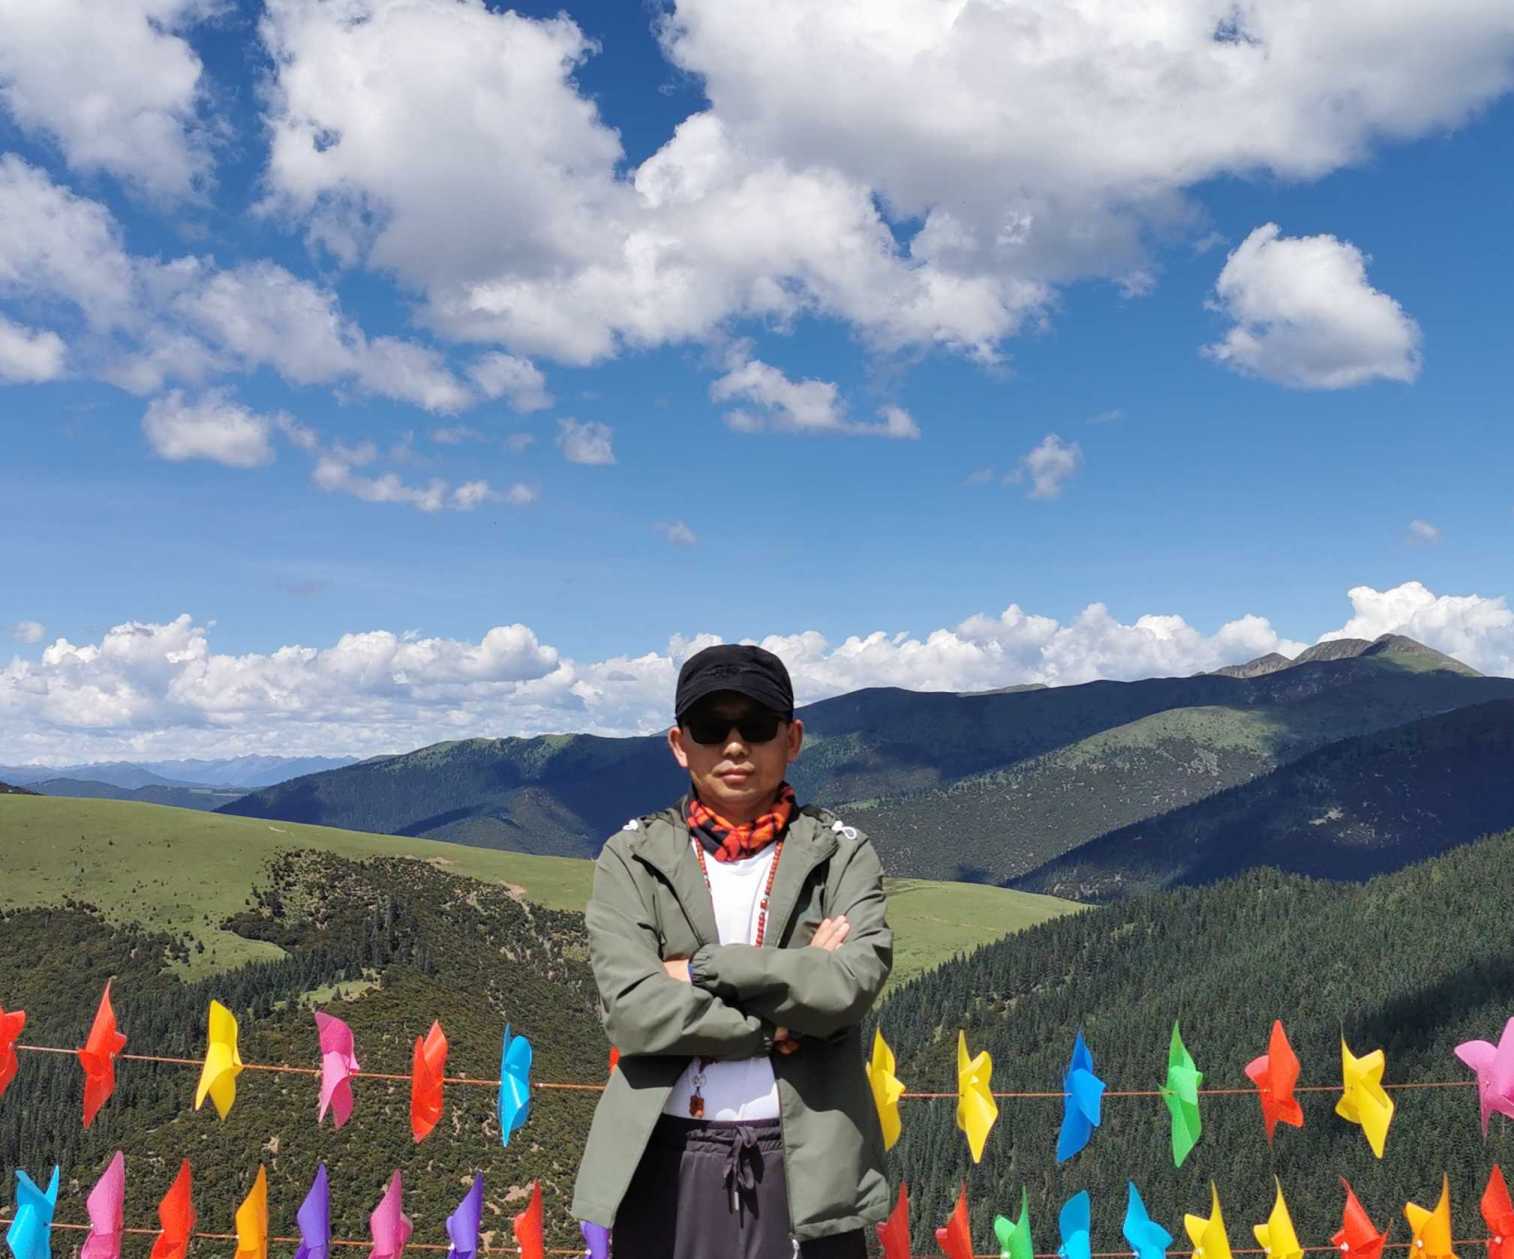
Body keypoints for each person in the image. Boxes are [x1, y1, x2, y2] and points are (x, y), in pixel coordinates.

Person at [571, 643, 893, 1259]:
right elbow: (632, 1011)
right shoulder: (630, 856)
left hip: (813, 1166)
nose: (735, 745)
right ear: (680, 744)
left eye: (758, 725)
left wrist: (700, 968)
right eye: (711, 728)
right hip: (663, 1157)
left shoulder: (842, 853)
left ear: (792, 739)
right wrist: (780, 1017)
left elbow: (847, 987)